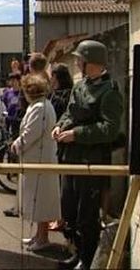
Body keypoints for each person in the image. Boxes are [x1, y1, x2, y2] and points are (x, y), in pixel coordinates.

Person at [52, 40, 122, 270]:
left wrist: (77, 134)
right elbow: (69, 112)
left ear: (91, 62)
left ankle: (87, 258)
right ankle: (76, 250)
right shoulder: (80, 86)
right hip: (70, 158)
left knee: (87, 214)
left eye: (80, 59)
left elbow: (110, 129)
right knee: (69, 208)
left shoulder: (109, 90)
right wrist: (60, 126)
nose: (77, 63)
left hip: (91, 161)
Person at [11, 75, 60, 252]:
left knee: (41, 199)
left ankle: (43, 238)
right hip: (37, 158)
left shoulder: (40, 107)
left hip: (40, 159)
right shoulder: (41, 106)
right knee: (38, 198)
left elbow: (31, 133)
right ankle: (39, 235)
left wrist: (17, 145)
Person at [48, 62, 74, 232]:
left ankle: (61, 219)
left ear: (56, 77)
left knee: (61, 185)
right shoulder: (71, 93)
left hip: (58, 141)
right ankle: (62, 218)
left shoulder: (57, 96)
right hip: (65, 142)